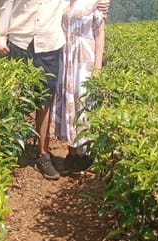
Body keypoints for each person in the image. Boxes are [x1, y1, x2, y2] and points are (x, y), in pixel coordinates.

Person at [0, 0, 109, 180]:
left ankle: (43, 154)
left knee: (45, 101)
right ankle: (7, 149)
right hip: (19, 41)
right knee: (13, 99)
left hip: (49, 45)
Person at [53, 0, 107, 173]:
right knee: (68, 99)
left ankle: (86, 153)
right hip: (65, 56)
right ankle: (72, 151)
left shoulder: (96, 2)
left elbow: (100, 34)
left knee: (83, 100)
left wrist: (97, 67)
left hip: (84, 58)